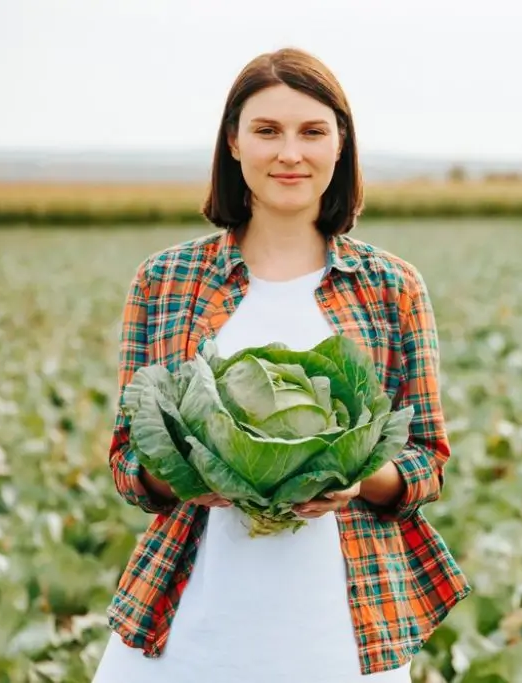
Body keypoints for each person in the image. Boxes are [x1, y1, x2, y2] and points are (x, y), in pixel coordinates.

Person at [90, 47, 471, 683]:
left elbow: (426, 463)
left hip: (342, 626)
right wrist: (190, 474)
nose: (289, 153)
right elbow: (129, 461)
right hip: (188, 625)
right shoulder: (165, 280)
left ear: (340, 145)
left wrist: (356, 480)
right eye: (267, 131)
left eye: (312, 131)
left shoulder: (392, 286)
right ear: (233, 143)